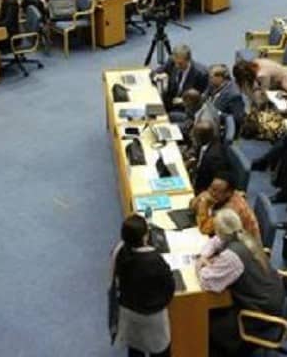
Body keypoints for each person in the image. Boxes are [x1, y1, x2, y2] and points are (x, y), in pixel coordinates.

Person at [197, 208, 285, 357]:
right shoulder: (245, 236)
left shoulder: (232, 256)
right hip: (273, 297)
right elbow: (216, 241)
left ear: (219, 230)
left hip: (259, 312)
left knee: (205, 321)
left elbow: (208, 282)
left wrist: (201, 263)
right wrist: (204, 254)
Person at [108, 214, 176, 357]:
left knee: (135, 348)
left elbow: (113, 283)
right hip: (153, 317)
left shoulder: (119, 251)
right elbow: (169, 286)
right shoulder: (154, 260)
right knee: (159, 351)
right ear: (145, 236)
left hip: (129, 313)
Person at [192, 176, 261, 242]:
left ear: (228, 193)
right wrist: (200, 198)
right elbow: (192, 205)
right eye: (210, 187)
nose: (210, 191)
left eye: (215, 190)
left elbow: (205, 229)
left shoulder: (230, 211)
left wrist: (203, 203)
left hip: (243, 247)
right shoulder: (225, 195)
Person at [151, 45, 208, 110]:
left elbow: (203, 99)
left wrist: (184, 101)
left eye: (180, 63)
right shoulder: (172, 62)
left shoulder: (201, 74)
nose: (177, 66)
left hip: (186, 109)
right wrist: (157, 77)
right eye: (176, 63)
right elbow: (154, 73)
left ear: (188, 60)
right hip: (169, 102)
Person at [186, 119, 230, 193]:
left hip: (203, 190)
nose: (192, 137)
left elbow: (213, 183)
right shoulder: (206, 142)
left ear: (200, 137)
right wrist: (192, 161)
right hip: (197, 178)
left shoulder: (214, 157)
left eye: (194, 135)